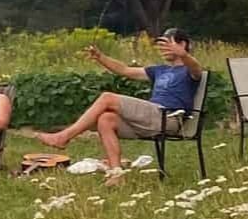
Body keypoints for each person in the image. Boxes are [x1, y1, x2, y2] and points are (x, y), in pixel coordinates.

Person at [31, 29, 202, 176]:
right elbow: (125, 70)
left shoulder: (190, 70)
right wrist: (100, 57)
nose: (162, 48)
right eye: (161, 44)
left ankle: (63, 137)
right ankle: (116, 173)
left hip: (169, 117)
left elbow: (196, 69)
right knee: (106, 119)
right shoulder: (159, 70)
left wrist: (184, 55)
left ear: (183, 44)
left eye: (167, 43)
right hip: (152, 118)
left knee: (107, 98)